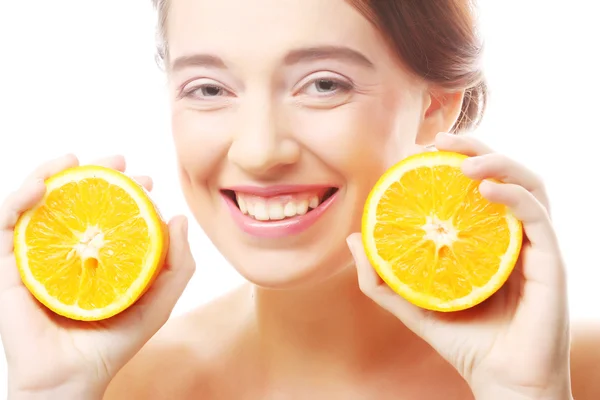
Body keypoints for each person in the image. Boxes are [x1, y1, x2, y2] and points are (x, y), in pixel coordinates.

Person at [1, 0, 599, 398]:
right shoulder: (126, 387)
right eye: (208, 88)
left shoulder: (577, 371)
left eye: (323, 84)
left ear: (435, 105)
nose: (260, 152)